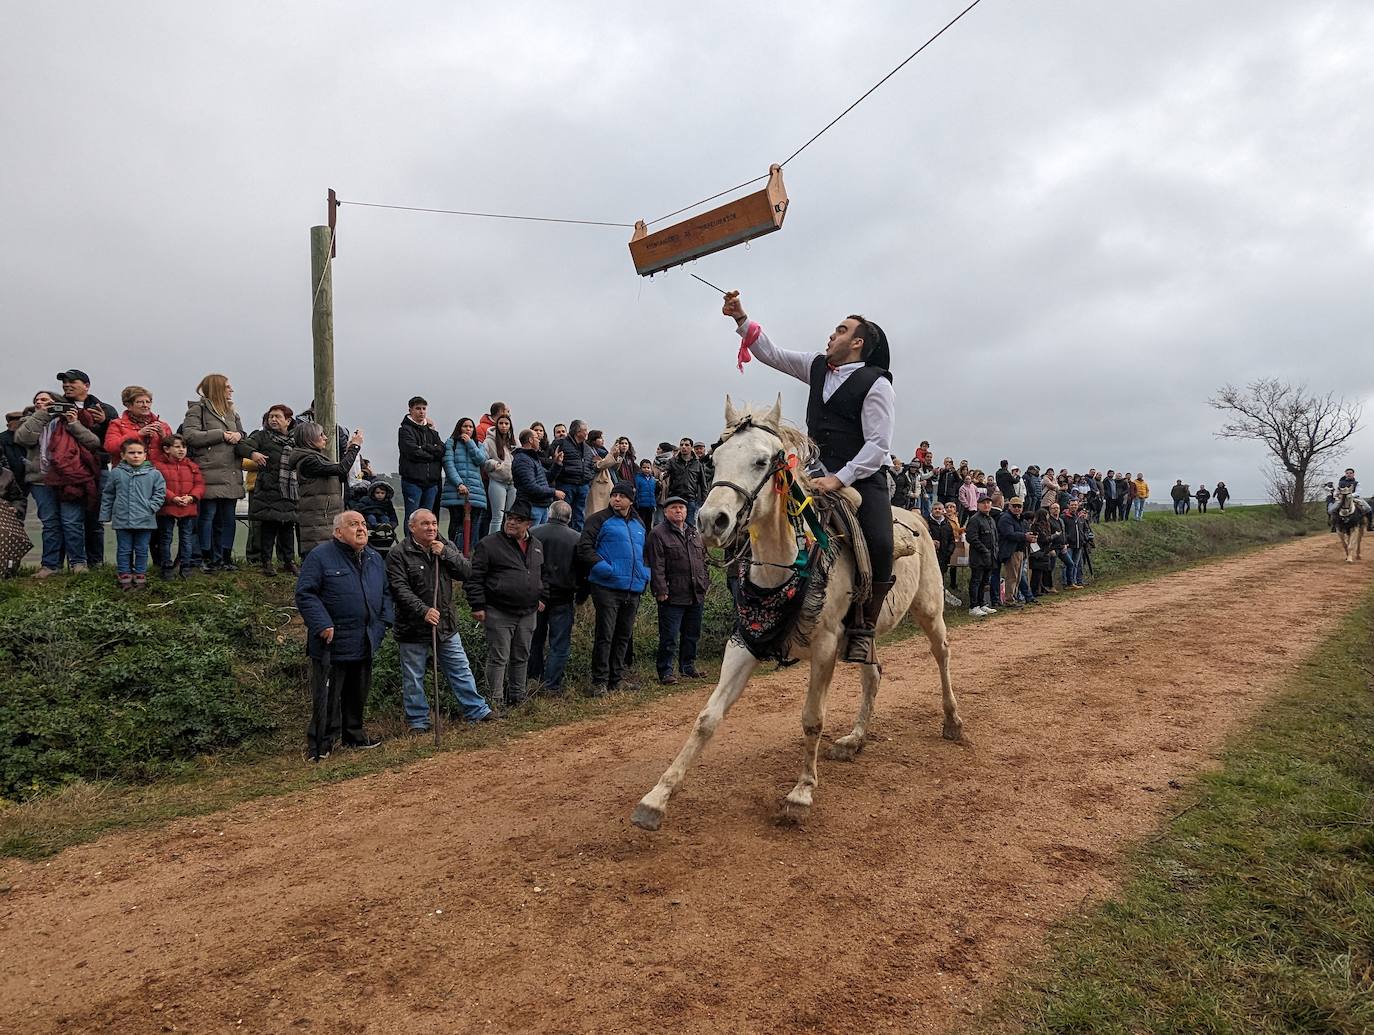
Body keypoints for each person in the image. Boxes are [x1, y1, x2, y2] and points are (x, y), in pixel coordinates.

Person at [724, 291, 897, 664]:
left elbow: (879, 447)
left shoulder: (876, 383)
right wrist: (741, 319)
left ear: (857, 342)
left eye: (840, 330)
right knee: (762, 517)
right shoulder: (818, 366)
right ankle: (771, 616)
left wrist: (840, 479)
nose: (831, 336)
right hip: (813, 469)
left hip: (863, 476)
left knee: (881, 543)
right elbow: (773, 353)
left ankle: (863, 628)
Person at [385, 509, 492, 730]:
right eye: (425, 524)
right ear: (412, 527)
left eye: (434, 523)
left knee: (460, 669)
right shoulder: (399, 553)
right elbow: (399, 589)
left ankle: (477, 711)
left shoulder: (445, 545)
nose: (431, 528)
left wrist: (446, 554)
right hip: (412, 628)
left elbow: (466, 572)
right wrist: (423, 610)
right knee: (414, 677)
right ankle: (418, 722)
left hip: (446, 625)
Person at [294, 511, 389, 761]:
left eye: (363, 524)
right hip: (331, 641)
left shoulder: (374, 558)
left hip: (366, 638)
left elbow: (387, 594)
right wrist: (322, 623)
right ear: (338, 532)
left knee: (358, 691)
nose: (361, 529)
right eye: (353, 524)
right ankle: (321, 744)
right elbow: (306, 593)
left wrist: (382, 624)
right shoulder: (320, 556)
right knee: (327, 695)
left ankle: (354, 736)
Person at [466, 496, 546, 710]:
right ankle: (496, 701)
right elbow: (475, 577)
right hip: (499, 610)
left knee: (522, 655)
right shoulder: (489, 544)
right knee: (499, 657)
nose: (511, 522)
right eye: (509, 518)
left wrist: (541, 596)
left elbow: (542, 574)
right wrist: (477, 605)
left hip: (528, 611)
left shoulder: (537, 545)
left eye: (517, 520)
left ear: (528, 523)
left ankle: (518, 697)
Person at [15, 391, 103, 577]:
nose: (40, 402)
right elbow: (23, 439)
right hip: (40, 480)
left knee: (72, 522)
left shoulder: (71, 420)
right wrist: (42, 415)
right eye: (37, 400)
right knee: (50, 523)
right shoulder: (29, 421)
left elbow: (94, 443)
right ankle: (50, 565)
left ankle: (78, 563)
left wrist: (73, 423)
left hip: (69, 479)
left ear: (58, 403)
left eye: (46, 400)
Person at [578, 480, 651, 695]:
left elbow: (646, 553)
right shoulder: (598, 520)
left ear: (631, 500)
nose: (616, 499)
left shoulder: (639, 523)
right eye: (614, 495)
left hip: (633, 588)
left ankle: (616, 680)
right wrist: (605, 569)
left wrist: (645, 574)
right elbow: (584, 548)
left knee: (623, 636)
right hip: (606, 586)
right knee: (605, 635)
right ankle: (599, 681)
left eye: (622, 496)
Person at [183, 374, 261, 572]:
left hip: (231, 473)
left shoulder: (232, 413)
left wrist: (240, 436)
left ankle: (224, 557)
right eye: (227, 386)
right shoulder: (197, 410)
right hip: (208, 472)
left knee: (227, 518)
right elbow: (190, 436)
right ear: (217, 388)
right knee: (207, 516)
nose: (231, 390)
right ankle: (206, 557)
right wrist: (222, 435)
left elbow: (241, 437)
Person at [56, 369, 118, 566]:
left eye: (72, 381)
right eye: (64, 382)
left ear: (86, 385)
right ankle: (77, 563)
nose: (67, 384)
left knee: (95, 520)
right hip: (67, 471)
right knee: (70, 521)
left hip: (97, 469)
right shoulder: (58, 407)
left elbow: (112, 442)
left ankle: (96, 562)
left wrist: (104, 422)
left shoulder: (105, 409)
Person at [646, 494, 709, 685]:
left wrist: (705, 583)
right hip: (672, 595)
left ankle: (688, 667)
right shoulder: (658, 534)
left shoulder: (694, 533)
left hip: (695, 592)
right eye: (673, 508)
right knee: (669, 636)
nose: (678, 511)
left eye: (681, 508)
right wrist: (660, 590)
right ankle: (666, 671)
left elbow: (704, 561)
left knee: (692, 634)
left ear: (687, 511)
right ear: (665, 512)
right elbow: (656, 565)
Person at [285, 421, 364, 556]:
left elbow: (339, 474)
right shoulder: (309, 461)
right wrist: (355, 447)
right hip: (318, 520)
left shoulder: (315, 459)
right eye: (321, 435)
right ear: (309, 438)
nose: (325, 438)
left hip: (324, 518)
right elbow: (341, 469)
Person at [99, 437, 167, 590]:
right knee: (124, 549)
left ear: (145, 455)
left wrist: (151, 507)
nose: (136, 456)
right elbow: (108, 494)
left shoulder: (154, 474)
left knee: (142, 548)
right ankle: (124, 575)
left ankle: (140, 574)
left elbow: (160, 493)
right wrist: (105, 515)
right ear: (123, 455)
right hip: (123, 519)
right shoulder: (116, 473)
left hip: (145, 519)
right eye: (131, 452)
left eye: (139, 452)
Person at [529, 499, 581, 696]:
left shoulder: (533, 532)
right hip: (564, 596)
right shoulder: (576, 537)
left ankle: (534, 679)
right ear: (569, 517)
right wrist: (582, 593)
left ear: (550, 513)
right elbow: (582, 568)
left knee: (535, 640)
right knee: (559, 643)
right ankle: (552, 685)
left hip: (536, 595)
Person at [244, 404, 298, 576]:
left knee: (287, 527)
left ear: (288, 420)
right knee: (268, 528)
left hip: (289, 491)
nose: (273, 420)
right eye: (271, 417)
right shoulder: (262, 436)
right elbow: (243, 447)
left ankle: (288, 562)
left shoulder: (295, 439)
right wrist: (254, 454)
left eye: (277, 417)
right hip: (268, 489)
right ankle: (266, 562)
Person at [152, 433, 204, 579]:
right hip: (167, 508)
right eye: (177, 447)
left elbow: (199, 484)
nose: (181, 450)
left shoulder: (192, 466)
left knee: (186, 538)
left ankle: (185, 566)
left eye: (184, 447)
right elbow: (158, 485)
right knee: (165, 537)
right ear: (166, 449)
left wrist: (192, 497)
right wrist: (172, 498)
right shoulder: (158, 466)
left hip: (188, 507)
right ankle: (166, 567)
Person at [441, 417, 491, 551]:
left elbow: (481, 461)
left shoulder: (478, 445)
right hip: (456, 491)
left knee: (474, 526)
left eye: (470, 427)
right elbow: (449, 465)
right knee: (457, 524)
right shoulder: (452, 443)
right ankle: (454, 552)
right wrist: (459, 484)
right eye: (465, 426)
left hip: (476, 492)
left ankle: (470, 554)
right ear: (459, 428)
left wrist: (470, 444)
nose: (468, 429)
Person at [397, 396, 444, 525]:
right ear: (410, 410)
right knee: (412, 517)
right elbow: (412, 451)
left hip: (432, 483)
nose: (421, 412)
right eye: (418, 408)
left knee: (427, 519)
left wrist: (425, 448)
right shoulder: (405, 430)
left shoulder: (432, 433)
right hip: (413, 481)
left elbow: (441, 450)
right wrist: (431, 455)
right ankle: (409, 544)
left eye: (424, 408)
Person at [103, 386, 172, 469]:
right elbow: (110, 448)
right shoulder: (117, 424)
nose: (145, 405)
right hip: (127, 475)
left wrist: (163, 437)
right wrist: (138, 434)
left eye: (148, 402)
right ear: (129, 405)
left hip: (157, 476)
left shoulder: (163, 426)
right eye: (140, 402)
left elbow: (174, 452)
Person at [550, 420, 595, 530]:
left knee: (579, 515)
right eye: (585, 430)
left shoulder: (588, 448)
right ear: (577, 431)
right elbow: (550, 460)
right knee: (563, 514)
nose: (587, 433)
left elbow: (591, 464)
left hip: (583, 486)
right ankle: (562, 537)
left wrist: (589, 476)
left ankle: (577, 539)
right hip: (566, 484)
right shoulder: (560, 443)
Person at [511, 428, 561, 525]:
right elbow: (530, 486)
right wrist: (553, 492)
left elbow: (547, 477)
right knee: (530, 537)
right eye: (537, 438)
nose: (539, 441)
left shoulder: (532, 458)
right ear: (530, 440)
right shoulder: (523, 459)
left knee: (539, 539)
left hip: (541, 506)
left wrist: (557, 464)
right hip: (532, 507)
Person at [964, 495, 998, 617]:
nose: (986, 505)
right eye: (983, 503)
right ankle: (973, 606)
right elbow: (971, 538)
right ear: (978, 505)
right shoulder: (975, 519)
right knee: (976, 581)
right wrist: (984, 550)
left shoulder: (991, 519)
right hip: (978, 557)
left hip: (990, 557)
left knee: (985, 581)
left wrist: (994, 552)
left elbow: (995, 538)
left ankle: (982, 603)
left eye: (989, 502)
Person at [997, 496, 1035, 608]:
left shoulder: (1020, 519)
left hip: (1020, 550)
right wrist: (1024, 536)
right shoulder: (1006, 518)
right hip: (1011, 551)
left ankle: (1014, 597)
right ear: (1010, 506)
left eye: (1019, 506)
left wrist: (1030, 537)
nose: (1017, 508)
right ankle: (1009, 600)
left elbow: (1023, 533)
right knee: (1012, 577)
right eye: (1015, 506)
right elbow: (1008, 534)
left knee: (1017, 577)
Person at [483, 413, 518, 532]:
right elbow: (483, 460)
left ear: (510, 426)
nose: (503, 426)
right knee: (497, 517)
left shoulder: (514, 442)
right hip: (497, 481)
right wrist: (495, 464)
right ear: (496, 425)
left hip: (513, 483)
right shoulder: (488, 441)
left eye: (506, 423)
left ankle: (506, 543)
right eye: (501, 423)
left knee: (510, 517)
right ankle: (493, 546)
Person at [664, 437, 705, 527]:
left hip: (690, 499)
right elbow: (665, 471)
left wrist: (704, 500)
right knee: (673, 524)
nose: (683, 447)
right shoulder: (672, 461)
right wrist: (663, 474)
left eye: (686, 445)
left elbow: (702, 484)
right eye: (681, 445)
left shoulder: (697, 464)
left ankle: (687, 541)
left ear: (691, 447)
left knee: (689, 525)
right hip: (675, 497)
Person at [584, 429, 620, 519]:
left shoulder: (601, 451)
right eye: (600, 438)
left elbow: (614, 467)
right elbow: (599, 466)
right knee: (596, 512)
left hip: (604, 485)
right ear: (593, 440)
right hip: (597, 485)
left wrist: (616, 455)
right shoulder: (589, 451)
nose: (602, 440)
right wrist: (611, 454)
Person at [0, 411, 28, 522]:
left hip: (18, 480)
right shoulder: (2, 439)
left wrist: (16, 509)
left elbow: (18, 500)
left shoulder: (28, 438)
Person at [635, 458, 661, 529]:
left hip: (650, 505)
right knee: (641, 523)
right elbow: (636, 492)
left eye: (648, 468)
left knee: (649, 524)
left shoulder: (653, 480)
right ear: (640, 468)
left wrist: (654, 504)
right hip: (641, 506)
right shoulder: (638, 479)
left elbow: (654, 493)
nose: (646, 469)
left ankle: (648, 538)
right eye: (644, 467)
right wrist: (636, 503)